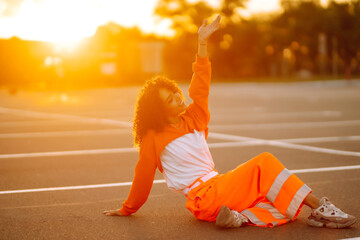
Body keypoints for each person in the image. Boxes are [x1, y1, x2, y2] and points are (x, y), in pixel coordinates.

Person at [103, 15, 356, 229]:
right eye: (170, 100)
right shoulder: (153, 136)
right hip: (203, 197)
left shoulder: (194, 117)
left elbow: (201, 84)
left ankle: (238, 217)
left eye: (176, 93)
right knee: (264, 162)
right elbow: (142, 177)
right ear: (159, 110)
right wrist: (127, 209)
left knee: (274, 196)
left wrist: (201, 43)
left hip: (218, 191)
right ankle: (321, 207)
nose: (179, 99)